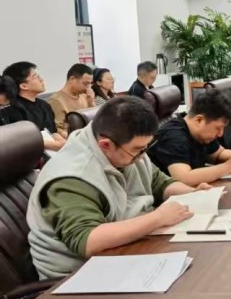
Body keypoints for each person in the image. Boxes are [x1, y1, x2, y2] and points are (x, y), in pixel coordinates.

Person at [26, 96, 206, 279]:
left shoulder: (125, 147)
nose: (142, 156)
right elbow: (87, 240)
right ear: (106, 145)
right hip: (78, 274)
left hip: (125, 251)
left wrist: (194, 194)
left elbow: (159, 183)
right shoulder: (72, 176)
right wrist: (159, 217)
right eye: (137, 150)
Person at [149, 89, 231, 186]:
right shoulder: (173, 136)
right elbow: (183, 178)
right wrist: (228, 166)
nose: (220, 134)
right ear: (199, 120)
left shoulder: (202, 134)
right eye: (218, 128)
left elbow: (219, 153)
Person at [2, 61, 65, 152]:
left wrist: (63, 142)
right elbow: (20, 140)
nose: (42, 80)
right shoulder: (12, 109)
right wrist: (52, 145)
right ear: (24, 86)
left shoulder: (44, 105)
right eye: (36, 77)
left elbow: (52, 131)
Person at [49, 64, 96, 136]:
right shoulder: (56, 100)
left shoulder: (86, 96)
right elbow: (57, 129)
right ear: (72, 79)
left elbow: (94, 120)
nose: (88, 87)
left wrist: (91, 102)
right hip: (73, 137)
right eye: (86, 83)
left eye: (90, 84)